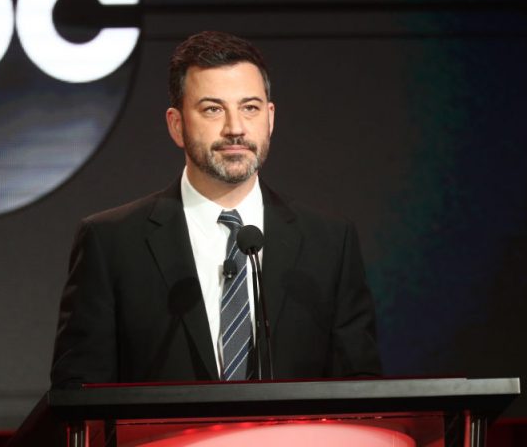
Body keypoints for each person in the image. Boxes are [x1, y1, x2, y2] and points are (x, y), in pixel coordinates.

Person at [50, 31, 381, 388]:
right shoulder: (111, 242)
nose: (235, 128)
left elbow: (359, 387)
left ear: (270, 118)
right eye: (212, 109)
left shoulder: (329, 243)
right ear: (177, 125)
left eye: (249, 108)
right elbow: (79, 393)